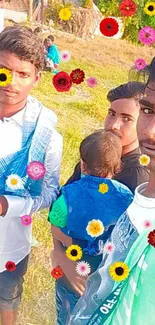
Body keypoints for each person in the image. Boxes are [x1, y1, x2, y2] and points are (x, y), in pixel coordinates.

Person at [69, 56, 155, 325]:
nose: (150, 132)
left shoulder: (132, 177)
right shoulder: (139, 196)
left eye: (127, 117)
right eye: (149, 111)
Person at [0, 26, 63, 325]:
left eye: (23, 74)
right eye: (4, 70)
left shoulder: (46, 134)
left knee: (7, 301)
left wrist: (7, 206)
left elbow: (50, 192)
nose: (11, 82)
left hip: (9, 245)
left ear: (37, 78)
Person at [49, 130, 133, 325]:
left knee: (66, 313)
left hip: (72, 268)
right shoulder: (126, 196)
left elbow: (56, 220)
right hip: (104, 273)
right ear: (118, 166)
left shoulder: (69, 194)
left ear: (83, 165)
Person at [66, 81, 150, 193]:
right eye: (112, 114)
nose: (113, 125)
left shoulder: (137, 176)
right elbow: (63, 197)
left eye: (127, 119)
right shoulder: (96, 149)